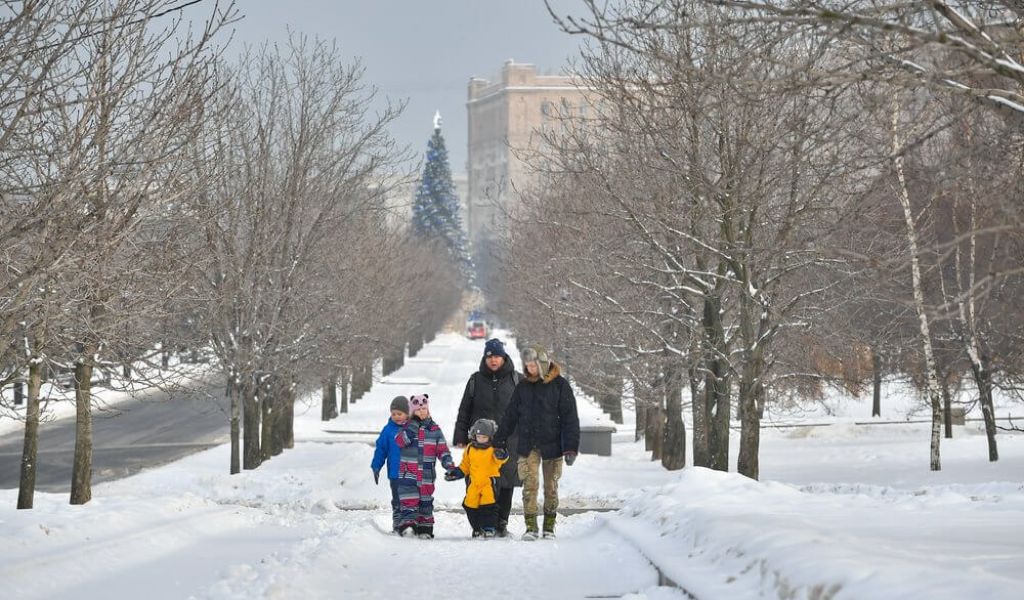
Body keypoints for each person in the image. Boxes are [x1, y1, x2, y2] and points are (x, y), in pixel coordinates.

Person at [495, 344, 580, 540]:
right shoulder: (523, 387)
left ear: (542, 363)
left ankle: (549, 526)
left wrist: (571, 448)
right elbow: (510, 416)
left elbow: (570, 419)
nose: (530, 369)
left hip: (553, 446)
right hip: (528, 444)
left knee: (551, 486)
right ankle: (531, 527)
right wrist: (499, 440)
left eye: (533, 365)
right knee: (529, 485)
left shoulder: (560, 386)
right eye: (527, 366)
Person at [453, 337, 522, 537]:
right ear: (485, 358)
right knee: (478, 482)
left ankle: (501, 523)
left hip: (508, 440)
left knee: (506, 482)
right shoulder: (475, 380)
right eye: (490, 357)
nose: (493, 360)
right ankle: (480, 524)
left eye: (497, 356)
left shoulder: (516, 380)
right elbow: (465, 409)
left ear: (504, 357)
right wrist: (460, 435)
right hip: (479, 442)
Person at [395, 393, 457, 539]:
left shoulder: (434, 430)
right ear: (412, 412)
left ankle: (425, 529)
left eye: (424, 409)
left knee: (425, 502)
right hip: (408, 474)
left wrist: (449, 465)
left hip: (426, 476)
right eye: (418, 410)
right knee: (409, 501)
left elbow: (442, 450)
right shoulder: (406, 428)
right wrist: (413, 425)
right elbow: (400, 442)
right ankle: (409, 526)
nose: (422, 412)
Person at [445, 418, 509, 538]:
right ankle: (477, 528)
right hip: (474, 484)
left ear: (490, 437)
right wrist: (456, 473)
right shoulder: (470, 448)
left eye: (484, 437)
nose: (481, 439)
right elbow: (465, 466)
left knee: (488, 506)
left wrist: (502, 454)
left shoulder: (493, 449)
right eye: (479, 436)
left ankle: (489, 528)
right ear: (474, 435)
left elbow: (501, 459)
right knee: (470, 505)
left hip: (488, 483)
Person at [370, 395, 410, 534]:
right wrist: (376, 466)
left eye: (400, 413)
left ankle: (410, 523)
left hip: (411, 472)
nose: (397, 416)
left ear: (407, 413)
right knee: (397, 500)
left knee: (411, 500)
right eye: (394, 414)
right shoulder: (388, 430)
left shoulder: (412, 429)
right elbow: (381, 449)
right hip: (395, 473)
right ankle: (398, 523)